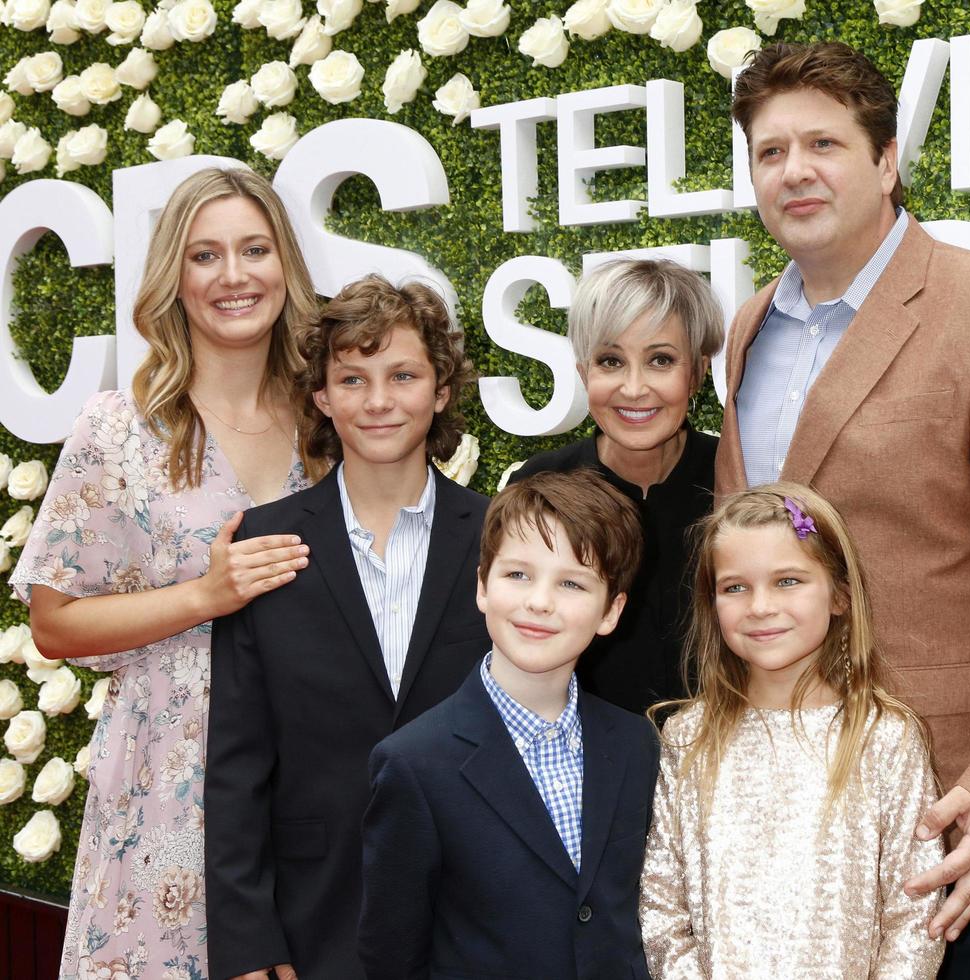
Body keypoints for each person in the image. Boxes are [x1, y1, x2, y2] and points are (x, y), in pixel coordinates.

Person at [715, 41, 970, 976]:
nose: (794, 171)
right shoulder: (747, 329)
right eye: (770, 152)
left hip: (959, 807)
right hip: (799, 795)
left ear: (887, 161)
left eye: (823, 144)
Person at [9, 167, 318, 979]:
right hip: (166, 780)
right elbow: (54, 624)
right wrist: (203, 597)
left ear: (285, 263)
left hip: (306, 777)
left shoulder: (331, 421)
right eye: (204, 255)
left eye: (254, 249)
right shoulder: (120, 428)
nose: (234, 275)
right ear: (173, 280)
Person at [204, 274, 490, 980]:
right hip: (315, 916)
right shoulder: (263, 547)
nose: (380, 401)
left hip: (476, 908)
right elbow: (238, 763)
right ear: (323, 398)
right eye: (353, 379)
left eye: (403, 375)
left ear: (441, 389)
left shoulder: (500, 539)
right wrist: (248, 941)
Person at [359, 470, 659, 980]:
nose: (539, 601)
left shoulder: (637, 745)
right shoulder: (415, 763)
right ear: (482, 586)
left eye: (571, 582)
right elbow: (393, 955)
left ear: (611, 611)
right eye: (518, 574)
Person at [639, 483, 944, 979]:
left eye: (787, 581)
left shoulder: (884, 736)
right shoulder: (688, 737)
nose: (760, 606)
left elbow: (915, 911)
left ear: (840, 594)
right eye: (735, 586)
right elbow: (662, 905)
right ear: (711, 604)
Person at [511, 258, 724, 715]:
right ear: (584, 372)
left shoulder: (736, 479)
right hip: (584, 764)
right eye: (611, 361)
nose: (633, 388)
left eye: (660, 360)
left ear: (698, 373)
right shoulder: (541, 485)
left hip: (726, 759)